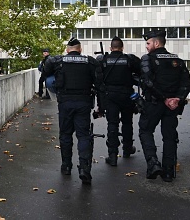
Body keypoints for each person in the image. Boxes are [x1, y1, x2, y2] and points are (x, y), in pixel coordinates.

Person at [43, 38, 102, 184]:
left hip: (65, 103)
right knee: (83, 136)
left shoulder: (59, 61)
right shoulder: (89, 61)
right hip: (83, 103)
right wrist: (101, 106)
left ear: (67, 50)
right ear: (80, 49)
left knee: (65, 134)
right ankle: (84, 168)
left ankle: (66, 166)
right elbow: (100, 84)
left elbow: (46, 73)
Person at [138, 29, 190, 182]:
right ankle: (169, 172)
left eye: (148, 43)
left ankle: (153, 163)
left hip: (154, 104)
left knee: (145, 130)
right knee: (169, 136)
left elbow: (148, 83)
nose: (147, 46)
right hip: (172, 107)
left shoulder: (148, 59)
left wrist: (164, 98)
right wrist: (177, 99)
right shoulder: (177, 61)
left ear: (156, 43)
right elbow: (187, 84)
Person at [96, 37, 141, 166]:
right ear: (122, 48)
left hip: (110, 96)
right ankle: (127, 149)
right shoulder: (129, 59)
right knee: (127, 122)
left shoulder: (104, 60)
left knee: (112, 124)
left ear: (111, 48)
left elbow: (99, 79)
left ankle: (112, 155)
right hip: (126, 95)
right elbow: (140, 73)